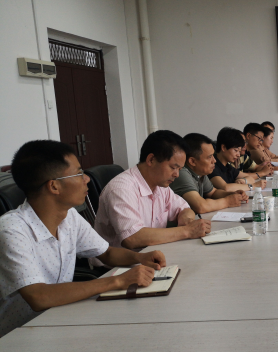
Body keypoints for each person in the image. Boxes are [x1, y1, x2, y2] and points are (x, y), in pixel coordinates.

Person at [0, 140, 166, 337]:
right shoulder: (12, 230)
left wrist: (140, 258)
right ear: (54, 186)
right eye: (79, 173)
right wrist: (117, 281)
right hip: (20, 335)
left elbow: (106, 253)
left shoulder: (69, 216)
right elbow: (38, 296)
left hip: (62, 319)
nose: (86, 179)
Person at [95, 130, 211, 250]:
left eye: (179, 169)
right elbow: (132, 238)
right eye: (173, 167)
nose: (176, 175)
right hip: (125, 260)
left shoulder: (160, 185)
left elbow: (184, 208)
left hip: (152, 253)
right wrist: (186, 231)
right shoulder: (121, 189)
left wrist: (187, 220)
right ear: (151, 160)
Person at [170, 133, 248, 214]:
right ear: (192, 161)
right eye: (209, 157)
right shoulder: (181, 173)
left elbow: (213, 193)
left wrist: (233, 194)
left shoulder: (200, 172)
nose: (214, 160)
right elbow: (201, 206)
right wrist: (228, 201)